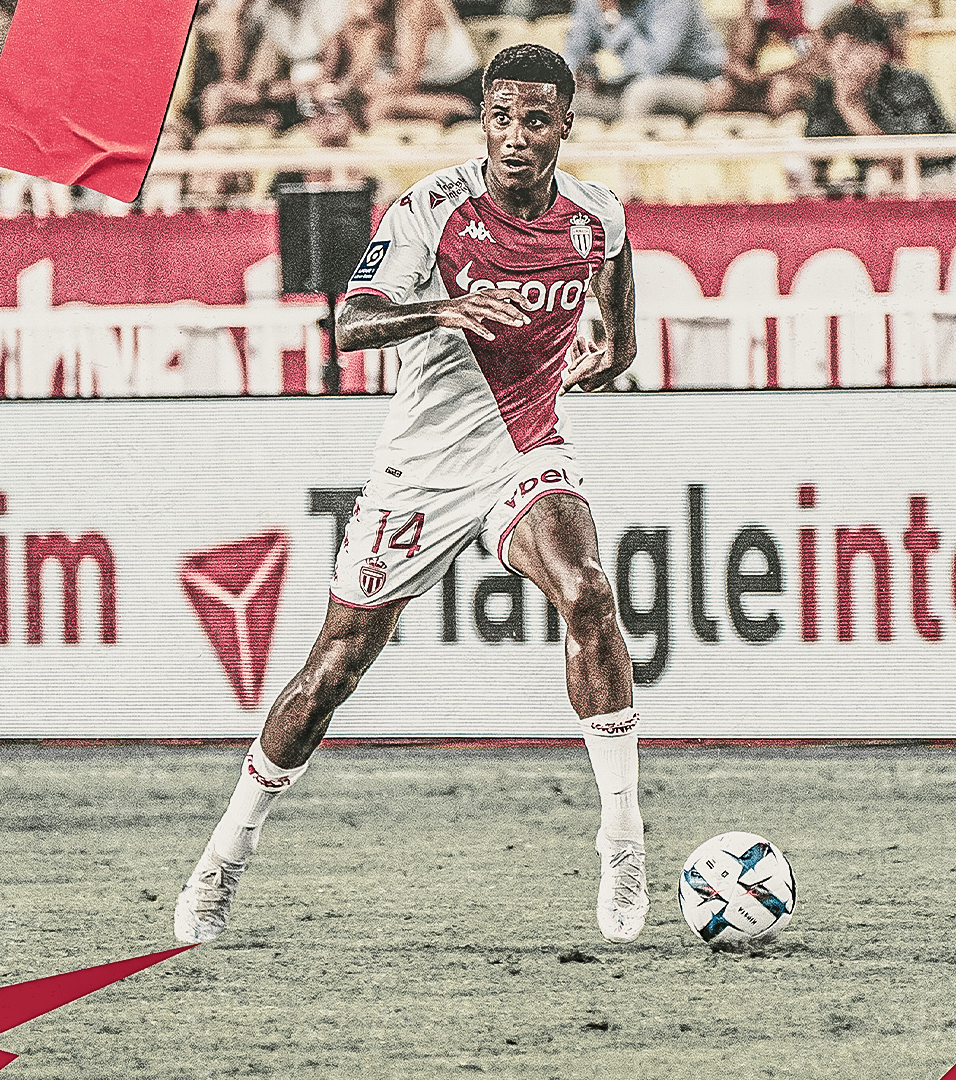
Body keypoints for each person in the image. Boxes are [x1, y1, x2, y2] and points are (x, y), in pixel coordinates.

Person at [172, 44, 649, 946]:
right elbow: (349, 322)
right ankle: (225, 853)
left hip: (526, 450)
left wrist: (609, 352)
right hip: (422, 471)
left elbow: (619, 324)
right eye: (500, 118)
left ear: (565, 125)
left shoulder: (597, 217)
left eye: (535, 119)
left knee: (588, 589)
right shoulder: (433, 209)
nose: (516, 137)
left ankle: (622, 840)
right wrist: (442, 309)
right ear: (483, 122)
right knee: (334, 669)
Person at [562, 0, 728, 121]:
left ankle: (631, 158)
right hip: (623, 85)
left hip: (699, 82)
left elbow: (652, 64)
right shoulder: (590, 3)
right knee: (566, 102)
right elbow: (571, 57)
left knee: (642, 94)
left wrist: (611, 16)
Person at [199, 0, 353, 129]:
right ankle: (268, 119)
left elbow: (329, 69)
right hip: (274, 93)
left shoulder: (327, 6)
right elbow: (230, 74)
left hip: (315, 92)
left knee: (326, 97)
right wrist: (237, 15)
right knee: (213, 100)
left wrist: (281, 90)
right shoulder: (260, 9)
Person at [801, 3, 947, 139]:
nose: (841, 59)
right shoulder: (826, 90)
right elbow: (816, 151)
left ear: (879, 52)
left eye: (852, 47)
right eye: (834, 47)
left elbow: (910, 152)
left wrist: (851, 106)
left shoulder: (908, 85)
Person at [338, 0, 484, 125]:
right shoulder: (374, 16)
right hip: (420, 90)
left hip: (458, 86)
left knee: (378, 109)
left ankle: (464, 110)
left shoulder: (417, 6)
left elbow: (409, 79)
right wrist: (364, 29)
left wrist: (364, 92)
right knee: (351, 111)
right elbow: (359, 77)